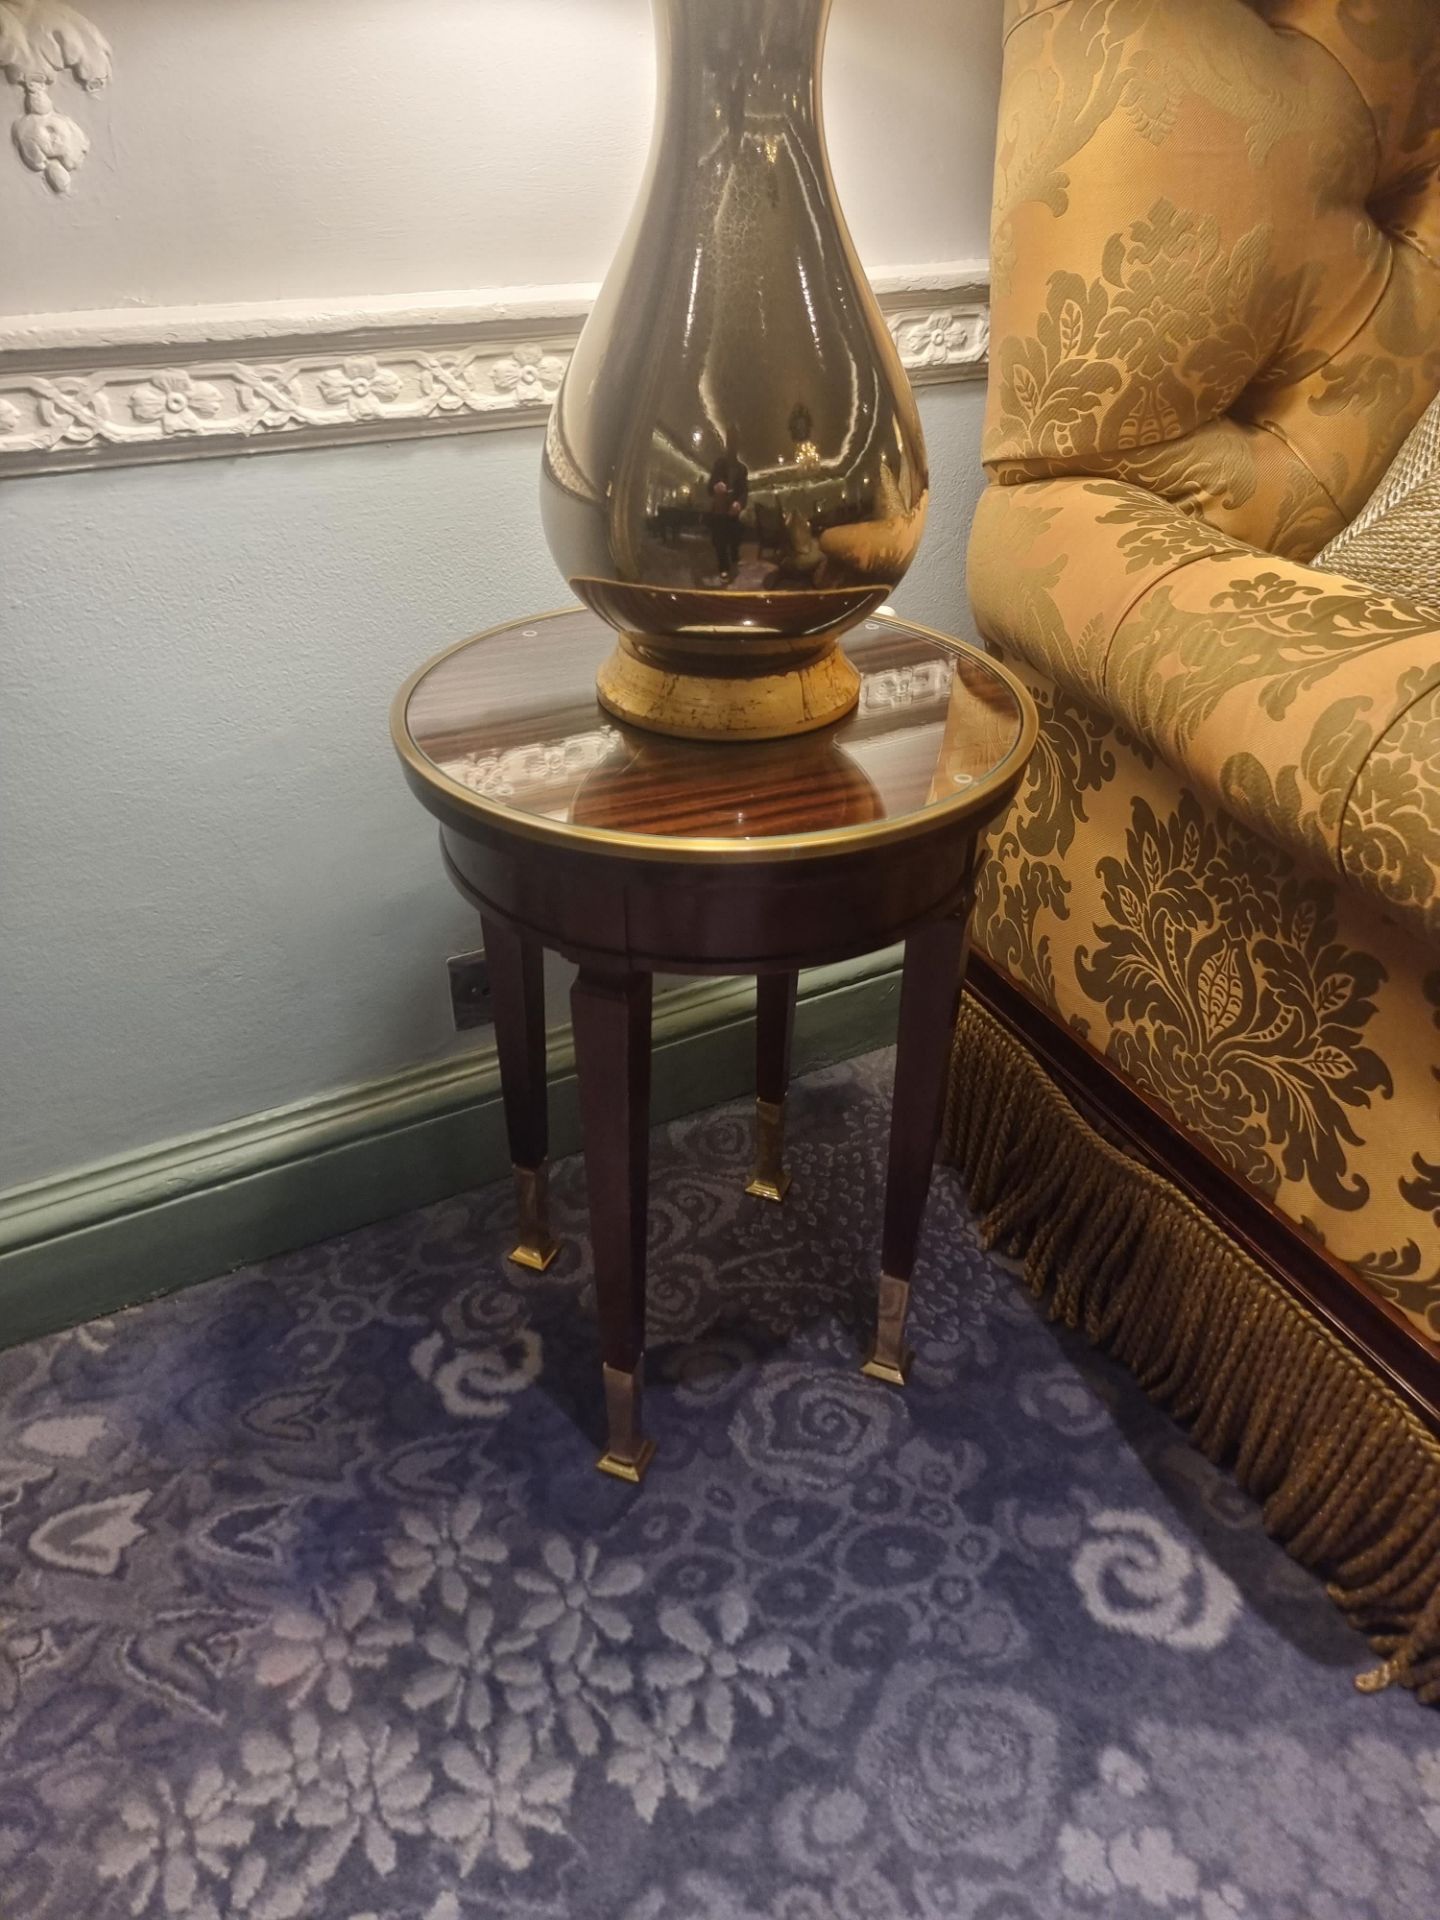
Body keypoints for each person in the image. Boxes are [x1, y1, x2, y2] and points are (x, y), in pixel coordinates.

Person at [708, 429, 748, 581]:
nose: (732, 446)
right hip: (719, 509)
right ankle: (723, 567)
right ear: (727, 444)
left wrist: (739, 503)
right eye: (730, 442)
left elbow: (744, 491)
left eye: (735, 442)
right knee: (719, 540)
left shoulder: (742, 469)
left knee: (734, 538)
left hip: (733, 509)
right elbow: (710, 485)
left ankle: (734, 558)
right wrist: (715, 486)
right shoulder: (719, 464)